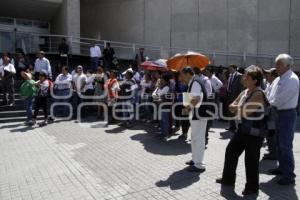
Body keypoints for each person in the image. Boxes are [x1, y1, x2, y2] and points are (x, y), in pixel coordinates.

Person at [216, 66, 266, 195]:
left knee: (251, 160)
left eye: (247, 77)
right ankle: (228, 179)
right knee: (231, 152)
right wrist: (240, 106)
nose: (243, 78)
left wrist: (239, 107)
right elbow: (231, 107)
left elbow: (245, 111)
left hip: (254, 132)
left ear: (255, 80)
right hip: (242, 129)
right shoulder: (245, 92)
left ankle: (252, 187)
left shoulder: (258, 93)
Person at [268, 54, 300, 185]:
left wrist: (268, 103)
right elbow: (269, 93)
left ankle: (289, 175)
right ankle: (282, 168)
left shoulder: (292, 79)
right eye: (276, 64)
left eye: (279, 64)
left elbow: (281, 99)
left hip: (287, 114)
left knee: (285, 145)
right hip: (278, 113)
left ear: (287, 65)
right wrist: (268, 101)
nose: (276, 67)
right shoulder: (278, 79)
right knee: (278, 144)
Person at [181, 67, 209, 173]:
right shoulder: (193, 82)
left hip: (199, 115)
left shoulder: (195, 82)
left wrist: (186, 109)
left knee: (198, 139)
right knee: (194, 138)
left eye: (182, 75)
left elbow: (196, 99)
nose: (181, 77)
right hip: (196, 115)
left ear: (188, 74)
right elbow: (193, 97)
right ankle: (195, 160)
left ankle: (199, 164)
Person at [262, 68, 278, 160]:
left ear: (274, 76)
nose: (266, 76)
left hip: (272, 113)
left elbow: (272, 100)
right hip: (267, 112)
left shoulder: (276, 85)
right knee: (269, 133)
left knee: (272, 133)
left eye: (268, 74)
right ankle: (272, 151)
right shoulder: (269, 84)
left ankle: (274, 153)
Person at [152, 74, 172, 140]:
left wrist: (156, 95)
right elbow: (154, 94)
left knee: (165, 121)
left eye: (162, 79)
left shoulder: (167, 87)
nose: (161, 80)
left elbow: (159, 94)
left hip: (165, 106)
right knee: (161, 120)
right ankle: (162, 133)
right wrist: (156, 94)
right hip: (160, 105)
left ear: (165, 80)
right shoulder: (161, 86)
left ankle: (166, 134)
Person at [226, 64, 244, 132]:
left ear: (235, 68)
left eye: (231, 68)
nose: (229, 70)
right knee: (230, 111)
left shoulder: (239, 75)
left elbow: (241, 87)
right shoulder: (230, 75)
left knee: (235, 112)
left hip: (236, 96)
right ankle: (231, 126)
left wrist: (239, 97)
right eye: (229, 69)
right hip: (229, 95)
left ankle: (236, 127)